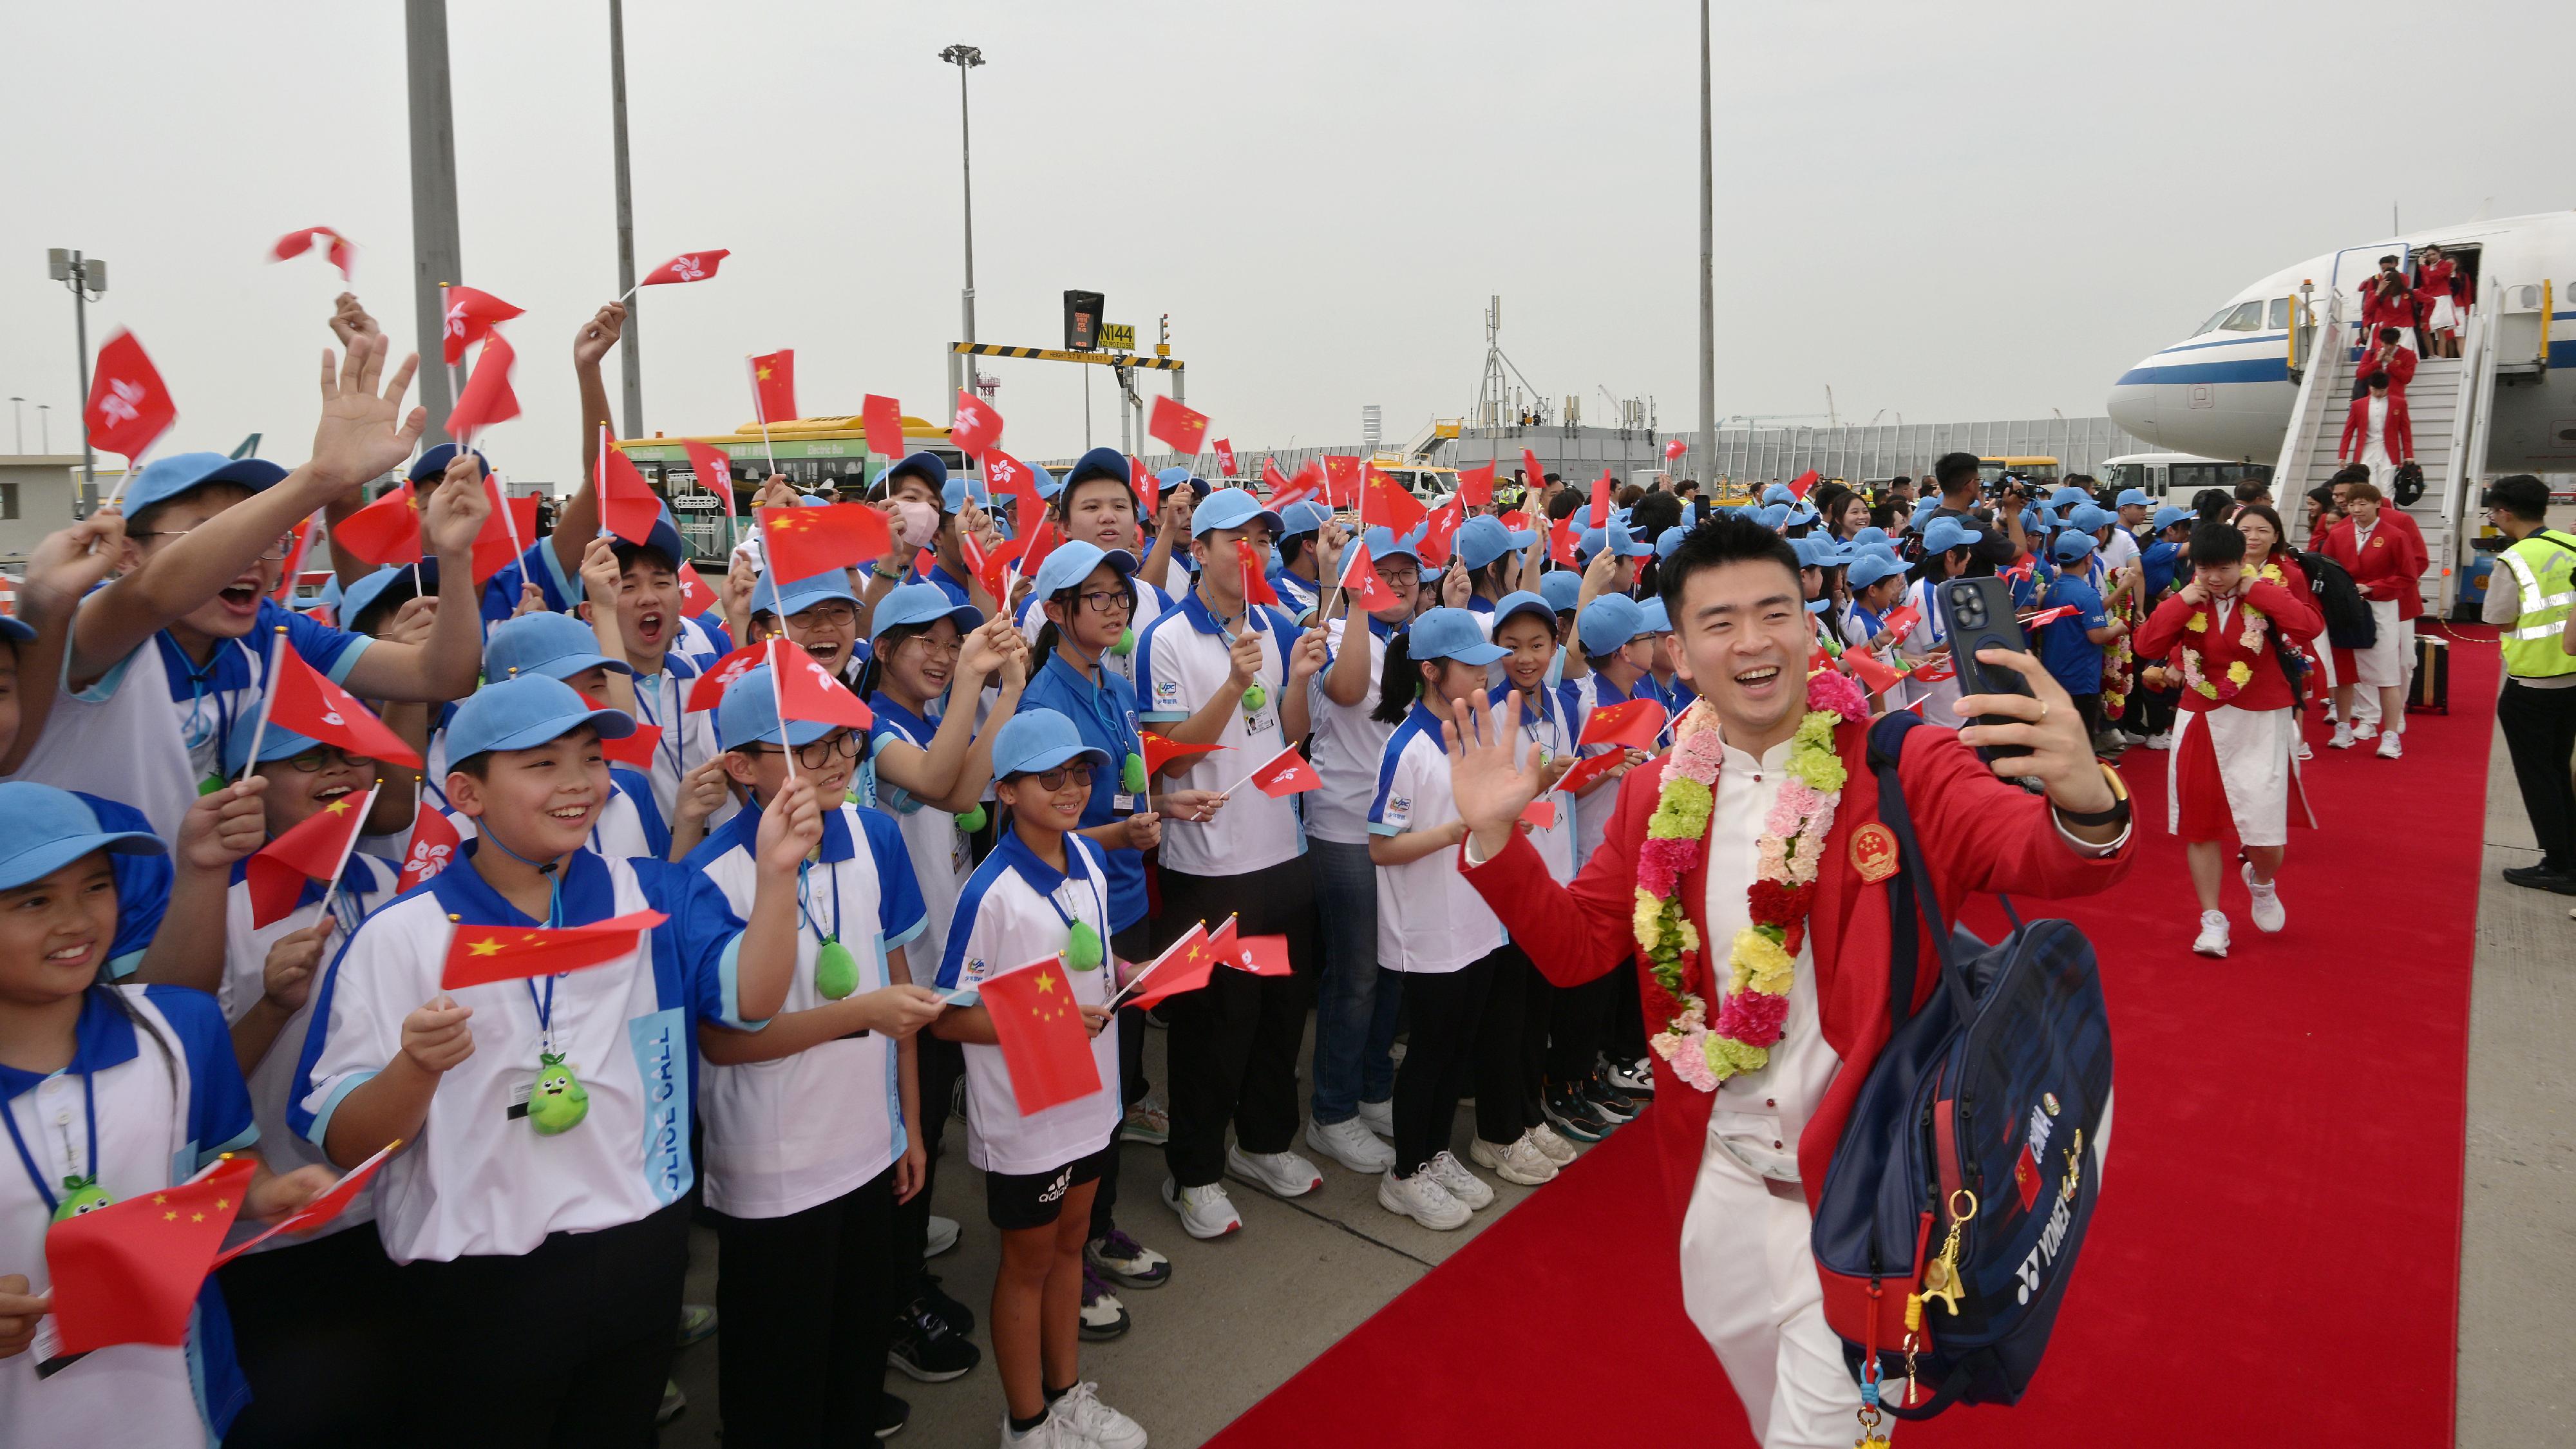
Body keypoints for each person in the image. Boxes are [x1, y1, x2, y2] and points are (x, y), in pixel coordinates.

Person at [1440, 512, 2133, 1449]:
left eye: (1775, 611)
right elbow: (1579, 946)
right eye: (1720, 623)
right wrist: (1492, 836)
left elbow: (2046, 856)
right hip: (1720, 1191)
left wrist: (2086, 797)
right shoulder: (1655, 795)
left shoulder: (1901, 763)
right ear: (1679, 653)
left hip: (1872, 1196)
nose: (1754, 641)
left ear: (1812, 623)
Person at [292, 675, 812, 1444]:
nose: (578, 784)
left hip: (638, 1254)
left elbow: (754, 1000)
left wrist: (776, 876)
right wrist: (414, 1070)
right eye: (540, 764)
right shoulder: (402, 936)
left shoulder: (653, 894)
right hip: (479, 1285)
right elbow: (346, 1141)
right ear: (466, 792)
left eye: (591, 758)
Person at [7, 339, 486, 844]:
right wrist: (321, 478)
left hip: (206, 913)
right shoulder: (98, 632)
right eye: (209, 533)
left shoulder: (271, 634)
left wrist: (456, 558)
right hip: (85, 916)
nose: (249, 557)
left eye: (265, 538)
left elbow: (441, 675)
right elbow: (154, 595)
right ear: (128, 555)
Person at [0, 784, 338, 1446]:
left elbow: (224, 1166)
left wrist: (272, 1192)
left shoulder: (179, 1027)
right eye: (34, 900)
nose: (76, 921)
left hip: (177, 1405)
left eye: (95, 887)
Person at [691, 668, 947, 1446]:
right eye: (804, 746)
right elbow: (724, 1041)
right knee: (776, 1381)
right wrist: (855, 1015)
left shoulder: (873, 836)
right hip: (773, 1172)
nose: (835, 759)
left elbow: (895, 979)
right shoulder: (711, 875)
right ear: (742, 766)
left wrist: (907, 1125)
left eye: (844, 737)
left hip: (867, 1149)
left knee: (854, 1359)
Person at [1017, 542, 1222, 1333]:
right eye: (1094, 596)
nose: (1114, 607)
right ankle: (1071, 1248)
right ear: (1057, 611)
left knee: (1115, 1073)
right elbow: (1037, 829)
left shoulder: (1108, 682)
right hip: (1071, 919)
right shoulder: (1045, 700)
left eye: (1120, 595)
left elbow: (1116, 795)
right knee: (1074, 1082)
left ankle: (1092, 1230)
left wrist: (1163, 812)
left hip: (1124, 901)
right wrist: (1120, 833)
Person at [929, 710, 1148, 1449]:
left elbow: (1091, 963)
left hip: (1091, 1094)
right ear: (1005, 791)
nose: (1071, 789)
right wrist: (1045, 1023)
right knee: (1026, 1262)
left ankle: (1064, 1395)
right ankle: (1026, 1424)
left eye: (1080, 773)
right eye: (1050, 778)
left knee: (1070, 1244)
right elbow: (948, 1018)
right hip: (1027, 1110)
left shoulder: (1084, 859)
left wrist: (1130, 973)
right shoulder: (986, 895)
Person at [1135, 488, 1329, 1238]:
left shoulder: (1272, 626)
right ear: (1201, 550)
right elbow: (1173, 758)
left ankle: (1262, 1142)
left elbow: (1288, 740)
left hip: (1283, 855)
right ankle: (1195, 1173)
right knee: (1213, 1030)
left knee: (1279, 1021)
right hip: (1210, 870)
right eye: (1236, 538)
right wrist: (1233, 683)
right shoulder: (1168, 639)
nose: (1250, 551)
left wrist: (1300, 679)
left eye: (1261, 538)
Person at [207, 724, 407, 1447]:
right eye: (307, 760)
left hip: (393, 1212)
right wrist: (270, 1006)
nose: (336, 772)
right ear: (251, 785)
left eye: (349, 756)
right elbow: (190, 1094)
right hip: (279, 1234)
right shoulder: (221, 909)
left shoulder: (392, 885)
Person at [1365, 609, 1532, 1223]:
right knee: (1432, 1051)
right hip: (1429, 928)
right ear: (1432, 672)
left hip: (1481, 920)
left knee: (1461, 1044)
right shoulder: (1405, 747)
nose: (1487, 672)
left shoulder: (1478, 733)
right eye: (1471, 664)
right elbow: (1381, 846)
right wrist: (1454, 831)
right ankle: (1406, 1171)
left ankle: (1435, 1153)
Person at [2134, 523, 2323, 957]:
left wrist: (2258, 591)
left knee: (2266, 838)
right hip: (2201, 716)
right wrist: (2180, 603)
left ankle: (2261, 881)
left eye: (2224, 568)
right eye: (2204, 568)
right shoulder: (2188, 598)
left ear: (2243, 562)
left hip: (2262, 718)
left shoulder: (2265, 590)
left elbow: (2309, 626)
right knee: (2201, 825)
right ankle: (2212, 919)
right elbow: (2146, 645)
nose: (2214, 578)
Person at [1302, 529, 1425, 1178]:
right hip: (1345, 829)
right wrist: (1351, 600)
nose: (1399, 584)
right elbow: (1348, 692)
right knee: (1355, 977)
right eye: (1385, 572)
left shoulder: (1404, 642)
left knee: (1392, 968)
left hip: (1396, 830)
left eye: (1408, 574)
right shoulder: (1333, 633)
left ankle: (1372, 1089)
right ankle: (1332, 1112)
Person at [2479, 475, 2576, 893]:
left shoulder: (2514, 560)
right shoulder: (2571, 546)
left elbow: (2501, 618)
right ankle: (2569, 854)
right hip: (2572, 678)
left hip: (2533, 683)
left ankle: (2558, 863)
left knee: (2538, 776)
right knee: (2559, 769)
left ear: (2504, 512)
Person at [2316, 480, 2425, 756]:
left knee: (2386, 673)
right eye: (2352, 504)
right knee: (2344, 671)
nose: (2356, 509)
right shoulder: (2339, 534)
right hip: (2345, 608)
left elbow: (2408, 575)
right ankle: (2343, 727)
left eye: (2363, 503)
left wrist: (2375, 587)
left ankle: (2390, 735)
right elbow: (2326, 570)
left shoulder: (2395, 534)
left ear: (2378, 503)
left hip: (2381, 606)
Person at [2337, 372, 2414, 496]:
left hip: (2388, 450)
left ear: (2387, 388)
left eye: (2382, 390)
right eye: (2374, 390)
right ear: (2370, 387)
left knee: (2387, 486)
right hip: (2366, 449)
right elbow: (2348, 431)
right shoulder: (2358, 405)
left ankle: (2388, 513)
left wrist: (2408, 454)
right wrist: (2342, 455)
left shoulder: (2399, 403)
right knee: (2368, 485)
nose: (2378, 393)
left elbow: (2406, 430)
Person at [2354, 324, 2419, 401]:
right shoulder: (2370, 354)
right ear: (2381, 341)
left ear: (2397, 341)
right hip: (2373, 400)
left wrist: (2391, 362)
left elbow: (2407, 378)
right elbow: (2360, 375)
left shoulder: (2409, 355)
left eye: (2391, 344)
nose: (2389, 347)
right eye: (2386, 343)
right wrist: (2376, 362)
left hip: (2396, 400)